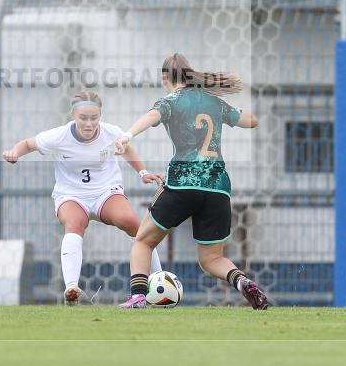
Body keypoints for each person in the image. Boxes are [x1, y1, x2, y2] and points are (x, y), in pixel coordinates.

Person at [115, 53, 269, 310]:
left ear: (166, 78)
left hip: (182, 183)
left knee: (143, 241)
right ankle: (243, 282)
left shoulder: (171, 101)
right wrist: (234, 111)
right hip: (217, 186)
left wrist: (128, 135)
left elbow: (152, 116)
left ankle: (139, 297)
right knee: (211, 259)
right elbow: (252, 121)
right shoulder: (214, 103)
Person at [2, 91, 165, 305]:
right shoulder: (58, 136)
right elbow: (29, 144)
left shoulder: (111, 133)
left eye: (94, 118)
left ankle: (160, 283)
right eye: (83, 118)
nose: (89, 123)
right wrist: (14, 152)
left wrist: (143, 173)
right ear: (73, 116)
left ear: (100, 116)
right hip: (71, 194)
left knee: (134, 224)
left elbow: (127, 150)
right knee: (74, 224)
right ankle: (71, 289)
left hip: (105, 192)